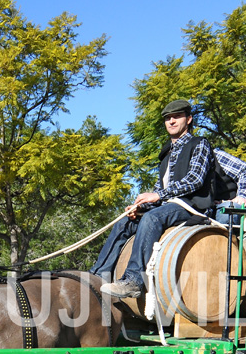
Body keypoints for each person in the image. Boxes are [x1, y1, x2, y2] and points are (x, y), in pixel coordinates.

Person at [92, 99, 216, 299]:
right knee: (125, 222)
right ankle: (97, 278)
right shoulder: (167, 154)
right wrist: (140, 207)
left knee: (152, 219)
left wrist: (157, 197)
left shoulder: (200, 144)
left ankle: (133, 281)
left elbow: (195, 180)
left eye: (177, 117)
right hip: (168, 208)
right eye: (168, 118)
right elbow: (160, 191)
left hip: (192, 207)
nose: (172, 121)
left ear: (189, 119)